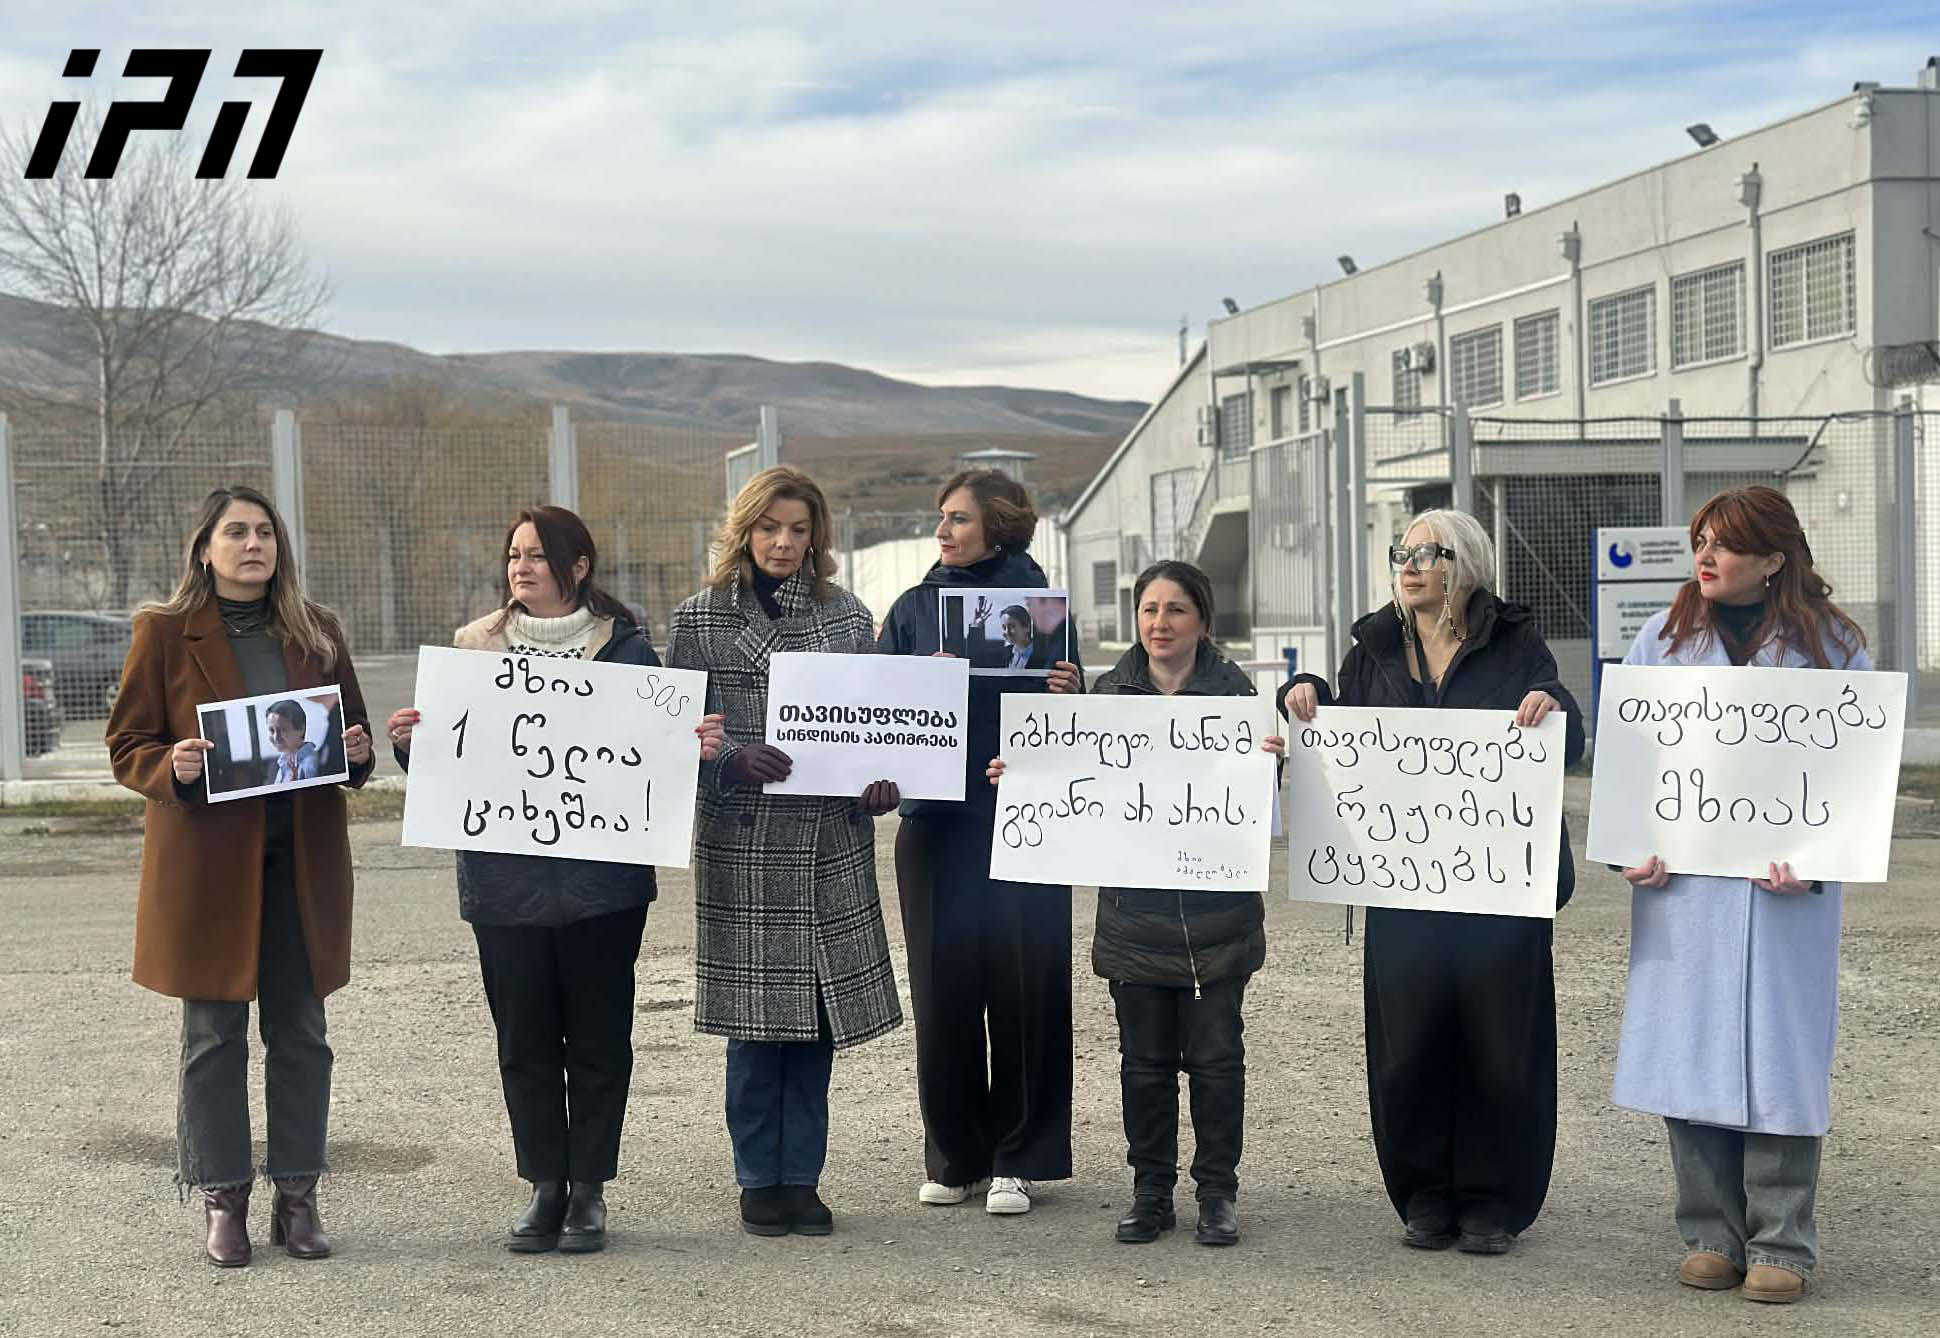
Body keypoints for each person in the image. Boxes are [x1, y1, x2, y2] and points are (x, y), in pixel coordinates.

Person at [387, 506, 723, 1255]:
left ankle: (590, 1188)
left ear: (578, 567)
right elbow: (452, 769)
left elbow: (659, 763)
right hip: (505, 890)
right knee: (526, 1039)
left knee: (601, 1039)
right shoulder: (473, 649)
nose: (521, 567)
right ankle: (545, 1183)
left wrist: (692, 746)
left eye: (538, 555)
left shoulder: (628, 654)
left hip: (604, 890)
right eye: (513, 555)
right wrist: (413, 745)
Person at [1281, 508, 1583, 1255]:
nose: (1410, 565)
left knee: (1498, 1045)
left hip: (1495, 891)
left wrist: (1555, 708)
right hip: (1402, 888)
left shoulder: (1513, 641)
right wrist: (1308, 693)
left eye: (1429, 553)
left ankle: (1491, 1199)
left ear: (1467, 564)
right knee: (1409, 1043)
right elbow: (1345, 741)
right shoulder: (1374, 647)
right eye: (1402, 553)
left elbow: (1568, 733)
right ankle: (1423, 1192)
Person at [1610, 486, 1868, 1305]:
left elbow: (1856, 777)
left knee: (1780, 1062)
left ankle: (1784, 1244)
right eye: (1701, 542)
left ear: (1775, 558)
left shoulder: (1832, 645)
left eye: (1724, 544)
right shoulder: (1663, 638)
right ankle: (1710, 1233)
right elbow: (1634, 761)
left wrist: (1820, 855)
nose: (1706, 557)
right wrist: (1630, 850)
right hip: (1686, 888)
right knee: (1689, 1052)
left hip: (1785, 893)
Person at [106, 485, 375, 1267]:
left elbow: (349, 734)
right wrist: (172, 765)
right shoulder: (162, 632)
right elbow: (128, 745)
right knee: (213, 1036)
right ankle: (223, 1197)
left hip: (301, 863)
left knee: (301, 1032)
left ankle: (299, 1196)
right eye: (235, 532)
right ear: (205, 548)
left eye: (264, 532)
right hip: (207, 867)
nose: (252, 544)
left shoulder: (316, 631)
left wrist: (356, 756)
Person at [987, 561, 1283, 1246]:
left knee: (1216, 1064)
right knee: (1143, 1067)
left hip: (1219, 923)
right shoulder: (1107, 695)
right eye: (1149, 609)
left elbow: (1255, 806)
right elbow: (1068, 777)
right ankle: (1151, 1191)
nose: (1160, 624)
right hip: (1132, 920)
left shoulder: (1239, 699)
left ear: (1203, 620)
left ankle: (1217, 1194)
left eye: (1176, 610)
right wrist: (1022, 774)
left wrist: (1275, 761)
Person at [667, 466, 904, 1238]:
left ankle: (802, 1176)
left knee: (816, 1018)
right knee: (754, 1022)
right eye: (770, 527)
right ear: (744, 530)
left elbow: (876, 728)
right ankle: (756, 1179)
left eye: (799, 530)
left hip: (829, 839)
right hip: (743, 838)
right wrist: (729, 757)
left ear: (817, 537)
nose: (783, 542)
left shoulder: (847, 618)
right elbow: (673, 731)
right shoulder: (699, 620)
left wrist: (881, 784)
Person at [877, 468, 1082, 1216]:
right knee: (943, 992)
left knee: (1028, 990)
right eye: (940, 517)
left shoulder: (1046, 608)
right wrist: (909, 684)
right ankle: (957, 1155)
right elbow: (874, 709)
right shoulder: (911, 609)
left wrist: (1071, 693)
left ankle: (1019, 1156)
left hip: (1026, 821)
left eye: (958, 518)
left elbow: (1079, 723)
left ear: (998, 525)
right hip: (935, 824)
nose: (942, 530)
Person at [262, 699, 321, 785]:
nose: (276, 737)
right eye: (271, 730)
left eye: (283, 730)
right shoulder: (283, 761)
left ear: (301, 729)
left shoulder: (310, 764)